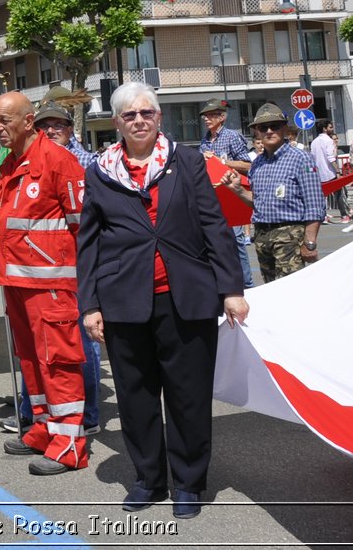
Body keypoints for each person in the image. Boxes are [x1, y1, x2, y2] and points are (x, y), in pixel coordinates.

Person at [79, 81, 249, 520]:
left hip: (185, 297)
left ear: (159, 117)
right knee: (136, 397)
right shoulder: (100, 170)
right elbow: (90, 243)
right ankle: (148, 479)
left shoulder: (188, 160)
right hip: (123, 299)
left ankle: (189, 482)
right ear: (116, 122)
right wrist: (90, 304)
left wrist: (231, 289)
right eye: (129, 115)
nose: (139, 121)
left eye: (146, 113)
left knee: (187, 396)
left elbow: (214, 225)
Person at [0, 92, 87, 474]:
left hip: (51, 286)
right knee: (30, 360)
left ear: (28, 121)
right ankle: (45, 427)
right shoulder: (12, 163)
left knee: (57, 361)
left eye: (5, 121)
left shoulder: (58, 161)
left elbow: (84, 225)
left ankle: (70, 443)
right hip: (17, 282)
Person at [28, 101, 103, 437]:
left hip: (77, 264)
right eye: (45, 125)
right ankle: (44, 415)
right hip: (45, 267)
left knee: (82, 346)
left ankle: (87, 416)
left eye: (58, 124)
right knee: (47, 347)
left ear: (71, 128)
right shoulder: (34, 159)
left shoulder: (86, 161)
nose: (51, 130)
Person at [224, 105, 324, 281]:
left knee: (291, 290)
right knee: (271, 288)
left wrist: (310, 242)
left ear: (284, 128)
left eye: (275, 126)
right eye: (263, 128)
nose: (269, 131)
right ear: (257, 132)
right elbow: (257, 201)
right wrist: (238, 190)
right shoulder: (257, 163)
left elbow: (314, 204)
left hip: (289, 233)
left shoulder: (301, 158)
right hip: (262, 234)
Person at [198, 98, 256, 289]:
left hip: (232, 193)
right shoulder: (205, 139)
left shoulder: (232, 137)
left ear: (221, 117)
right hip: (212, 195)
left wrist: (222, 162)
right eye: (205, 116)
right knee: (216, 240)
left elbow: (247, 165)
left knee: (237, 241)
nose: (206, 119)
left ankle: (247, 284)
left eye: (211, 115)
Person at [310, 118, 341, 220]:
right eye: (330, 127)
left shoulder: (314, 142)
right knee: (339, 194)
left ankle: (322, 215)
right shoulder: (328, 140)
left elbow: (312, 158)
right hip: (330, 172)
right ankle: (345, 214)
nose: (332, 129)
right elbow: (331, 157)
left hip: (319, 173)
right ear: (324, 129)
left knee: (321, 196)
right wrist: (337, 171)